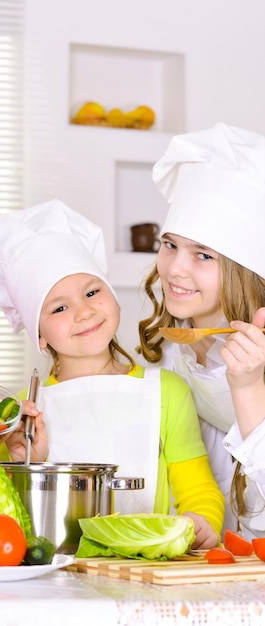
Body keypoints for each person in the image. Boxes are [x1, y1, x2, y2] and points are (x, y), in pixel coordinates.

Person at [0, 198, 224, 549]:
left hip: (141, 571)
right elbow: (3, 512)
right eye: (59, 307)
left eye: (93, 292)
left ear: (113, 296)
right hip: (53, 576)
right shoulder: (23, 410)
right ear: (40, 336)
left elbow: (198, 490)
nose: (84, 311)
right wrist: (28, 461)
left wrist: (202, 521)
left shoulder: (167, 391)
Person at [138, 122, 265, 538]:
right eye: (170, 244)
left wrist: (247, 386)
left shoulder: (256, 355)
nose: (176, 268)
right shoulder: (172, 347)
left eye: (203, 255)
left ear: (242, 270)